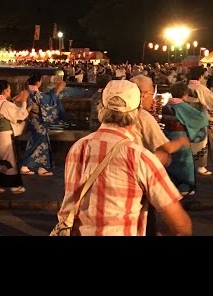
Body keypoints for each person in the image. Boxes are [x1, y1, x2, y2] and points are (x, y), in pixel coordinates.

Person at [55, 80, 192, 236]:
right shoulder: (140, 157)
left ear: (102, 108)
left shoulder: (78, 147)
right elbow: (180, 223)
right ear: (136, 111)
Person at [161, 82, 210, 196]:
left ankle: (171, 185)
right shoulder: (182, 106)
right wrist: (203, 109)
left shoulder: (167, 105)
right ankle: (184, 187)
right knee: (184, 161)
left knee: (171, 161)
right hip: (180, 136)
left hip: (167, 134)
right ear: (184, 94)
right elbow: (200, 119)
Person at [21, 72, 66, 176]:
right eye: (41, 81)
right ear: (38, 82)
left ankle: (42, 167)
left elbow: (46, 97)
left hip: (33, 121)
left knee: (42, 143)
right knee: (36, 143)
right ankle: (25, 165)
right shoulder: (36, 94)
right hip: (38, 122)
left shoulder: (28, 92)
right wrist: (57, 90)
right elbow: (49, 101)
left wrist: (54, 91)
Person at [0, 80, 29, 194]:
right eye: (9, 89)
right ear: (5, 91)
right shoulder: (6, 104)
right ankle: (15, 186)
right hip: (5, 136)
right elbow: (20, 115)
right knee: (10, 160)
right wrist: (24, 101)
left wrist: (13, 100)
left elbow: (4, 110)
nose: (10, 90)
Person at [187, 65, 213, 176]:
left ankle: (189, 163)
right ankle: (201, 166)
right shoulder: (201, 88)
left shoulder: (186, 87)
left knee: (189, 141)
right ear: (200, 76)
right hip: (198, 118)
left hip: (186, 117)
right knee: (201, 142)